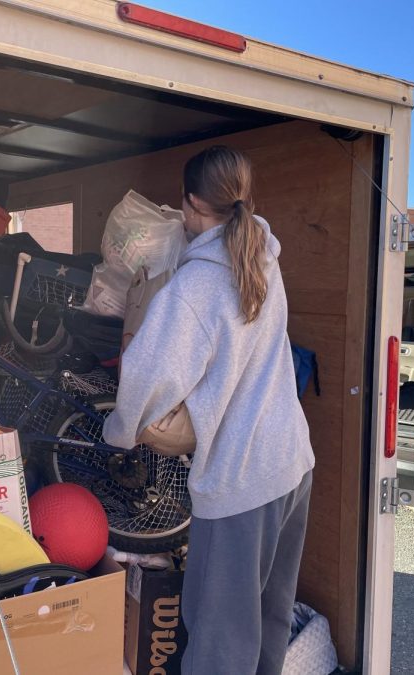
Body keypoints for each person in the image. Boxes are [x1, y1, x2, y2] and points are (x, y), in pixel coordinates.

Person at [102, 145, 315, 674]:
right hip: (291, 464)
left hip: (241, 479)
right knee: (267, 617)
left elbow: (148, 377)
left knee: (220, 638)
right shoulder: (263, 256)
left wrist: (121, 430)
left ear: (192, 205)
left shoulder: (197, 284)